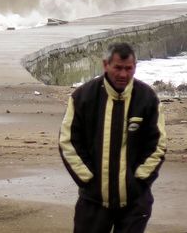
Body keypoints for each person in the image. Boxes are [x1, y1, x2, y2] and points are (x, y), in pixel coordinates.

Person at [59, 42, 166, 233]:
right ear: (105, 65)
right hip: (93, 202)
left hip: (134, 202)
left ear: (135, 67)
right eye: (118, 68)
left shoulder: (147, 98)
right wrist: (88, 181)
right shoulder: (83, 97)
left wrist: (139, 181)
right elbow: (68, 142)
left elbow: (157, 144)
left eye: (128, 68)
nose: (123, 74)